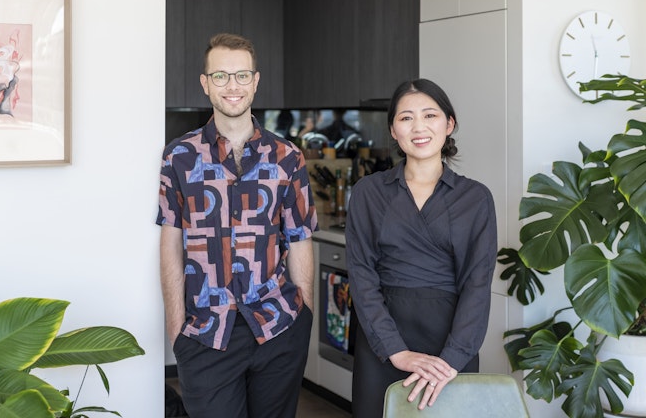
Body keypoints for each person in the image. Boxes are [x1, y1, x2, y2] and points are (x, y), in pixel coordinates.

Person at [157, 33, 318, 418]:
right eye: (221, 76)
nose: (233, 86)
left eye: (242, 76)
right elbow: (171, 244)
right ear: (205, 83)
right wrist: (177, 328)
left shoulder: (288, 157)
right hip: (206, 331)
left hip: (279, 325)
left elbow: (299, 241)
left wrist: (304, 318)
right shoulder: (179, 156)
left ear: (256, 81)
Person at [345, 78, 497, 417]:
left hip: (450, 345)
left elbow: (477, 285)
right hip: (383, 342)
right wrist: (396, 351)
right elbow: (362, 276)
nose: (419, 127)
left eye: (430, 115)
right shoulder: (369, 192)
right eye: (406, 118)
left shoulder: (475, 198)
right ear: (393, 130)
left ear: (449, 124)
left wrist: (451, 360)